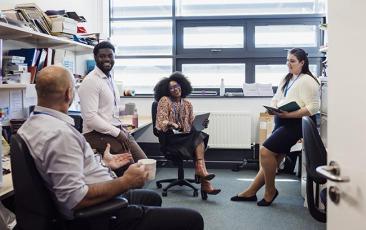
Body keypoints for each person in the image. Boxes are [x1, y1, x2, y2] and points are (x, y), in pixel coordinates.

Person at [17, 66, 204, 230]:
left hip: (95, 194)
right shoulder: (59, 134)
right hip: (99, 216)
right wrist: (126, 181)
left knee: (151, 198)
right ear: (69, 94)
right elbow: (75, 199)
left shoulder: (31, 125)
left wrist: (104, 164)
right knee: (193, 219)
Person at [231, 48, 320, 206]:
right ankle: (251, 191)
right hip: (282, 120)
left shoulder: (308, 80)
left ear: (302, 62)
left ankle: (270, 191)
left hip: (297, 123)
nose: (288, 64)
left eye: (292, 61)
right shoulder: (287, 78)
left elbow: (313, 108)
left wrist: (288, 115)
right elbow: (277, 97)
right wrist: (272, 108)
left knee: (265, 152)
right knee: (273, 158)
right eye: (287, 60)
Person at [78, 41, 147, 173]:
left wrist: (124, 124)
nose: (107, 59)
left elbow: (111, 109)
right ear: (95, 57)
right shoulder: (91, 81)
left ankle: (129, 191)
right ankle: (124, 193)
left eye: (110, 56)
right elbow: (90, 118)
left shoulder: (109, 79)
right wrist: (118, 132)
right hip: (96, 134)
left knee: (144, 165)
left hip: (116, 130)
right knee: (134, 172)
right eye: (102, 56)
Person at [154, 72, 221, 198]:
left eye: (177, 85)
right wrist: (171, 124)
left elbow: (191, 125)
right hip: (171, 139)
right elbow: (161, 121)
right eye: (171, 88)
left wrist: (202, 123)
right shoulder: (164, 101)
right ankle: (204, 178)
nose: (175, 89)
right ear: (167, 91)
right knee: (199, 138)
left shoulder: (188, 104)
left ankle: (202, 173)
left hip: (184, 137)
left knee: (199, 134)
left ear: (182, 85)